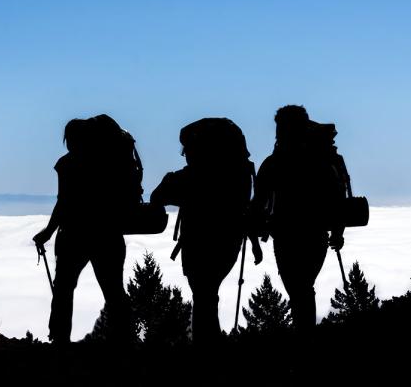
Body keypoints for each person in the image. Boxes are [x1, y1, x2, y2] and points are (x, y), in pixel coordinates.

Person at [150, 118, 262, 343]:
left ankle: (206, 354)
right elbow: (245, 209)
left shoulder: (192, 177)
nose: (186, 155)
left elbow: (157, 196)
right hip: (229, 242)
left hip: (198, 245)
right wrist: (255, 244)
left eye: (187, 150)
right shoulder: (238, 174)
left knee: (203, 297)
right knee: (208, 296)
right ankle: (210, 351)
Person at [33, 115, 140, 344]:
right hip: (108, 235)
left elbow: (63, 202)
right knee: (113, 291)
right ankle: (124, 342)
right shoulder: (109, 162)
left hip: (74, 236)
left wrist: (48, 231)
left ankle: (60, 341)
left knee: (63, 290)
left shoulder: (68, 164)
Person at [251, 105, 345, 332]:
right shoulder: (321, 163)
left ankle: (303, 346)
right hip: (316, 235)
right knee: (303, 288)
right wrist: (338, 233)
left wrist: (255, 243)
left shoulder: (273, 163)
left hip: (285, 236)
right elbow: (337, 199)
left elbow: (257, 205)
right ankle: (305, 345)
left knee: (298, 289)